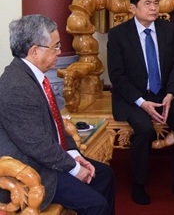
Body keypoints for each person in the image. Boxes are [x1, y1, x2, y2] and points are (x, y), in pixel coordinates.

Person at [0, 14, 115, 214]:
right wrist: (73, 168)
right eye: (55, 46)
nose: (60, 52)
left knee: (105, 175)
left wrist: (73, 154)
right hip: (31, 170)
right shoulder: (16, 86)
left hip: (45, 158)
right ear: (34, 51)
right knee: (96, 205)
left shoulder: (32, 76)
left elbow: (55, 122)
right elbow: (35, 143)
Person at [107, 0, 174, 205]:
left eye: (156, 3)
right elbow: (117, 76)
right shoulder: (118, 35)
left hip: (163, 92)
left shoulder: (167, 29)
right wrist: (142, 103)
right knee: (144, 129)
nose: (153, 8)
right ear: (133, 8)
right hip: (133, 97)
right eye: (147, 3)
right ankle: (139, 184)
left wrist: (170, 92)